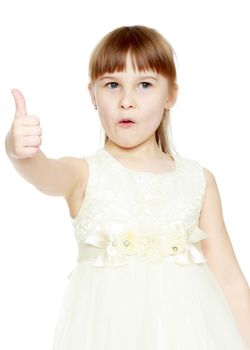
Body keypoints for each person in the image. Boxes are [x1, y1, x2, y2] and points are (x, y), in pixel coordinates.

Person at [5, 25, 250, 349]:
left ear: (170, 95)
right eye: (112, 85)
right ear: (93, 94)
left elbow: (229, 279)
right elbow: (46, 174)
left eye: (145, 84)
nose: (126, 101)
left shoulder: (198, 180)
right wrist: (19, 152)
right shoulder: (83, 173)